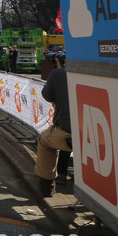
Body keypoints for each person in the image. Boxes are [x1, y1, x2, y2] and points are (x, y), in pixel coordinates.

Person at [36, 51, 71, 198]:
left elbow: (47, 95)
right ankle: (62, 173)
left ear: (58, 61)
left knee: (45, 141)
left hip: (69, 133)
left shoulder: (58, 73)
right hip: (95, 136)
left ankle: (47, 185)